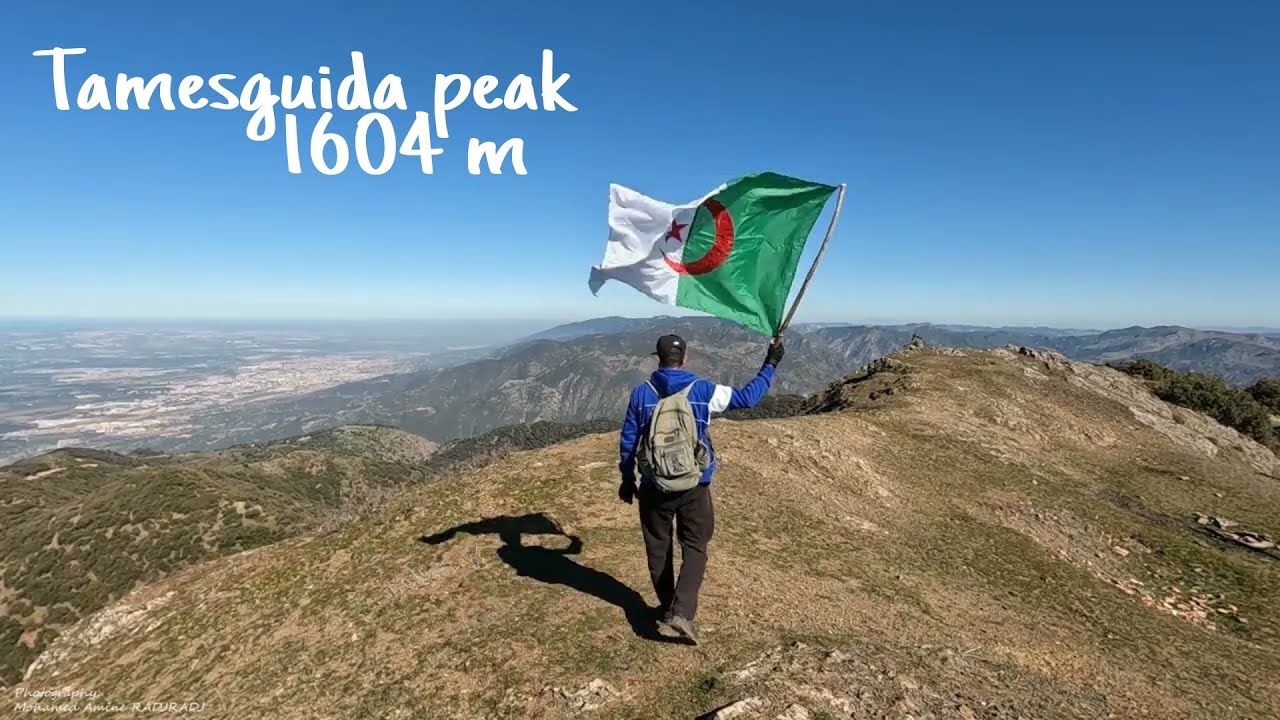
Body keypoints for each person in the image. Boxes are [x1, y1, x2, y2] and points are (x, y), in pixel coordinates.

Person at [617, 333, 785, 643]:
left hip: (655, 486)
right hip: (695, 483)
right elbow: (747, 398)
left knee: (658, 548)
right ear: (685, 359)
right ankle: (682, 611)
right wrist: (770, 363)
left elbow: (629, 441)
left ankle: (667, 607)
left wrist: (628, 480)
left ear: (657, 358)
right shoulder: (704, 391)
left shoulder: (641, 394)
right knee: (695, 546)